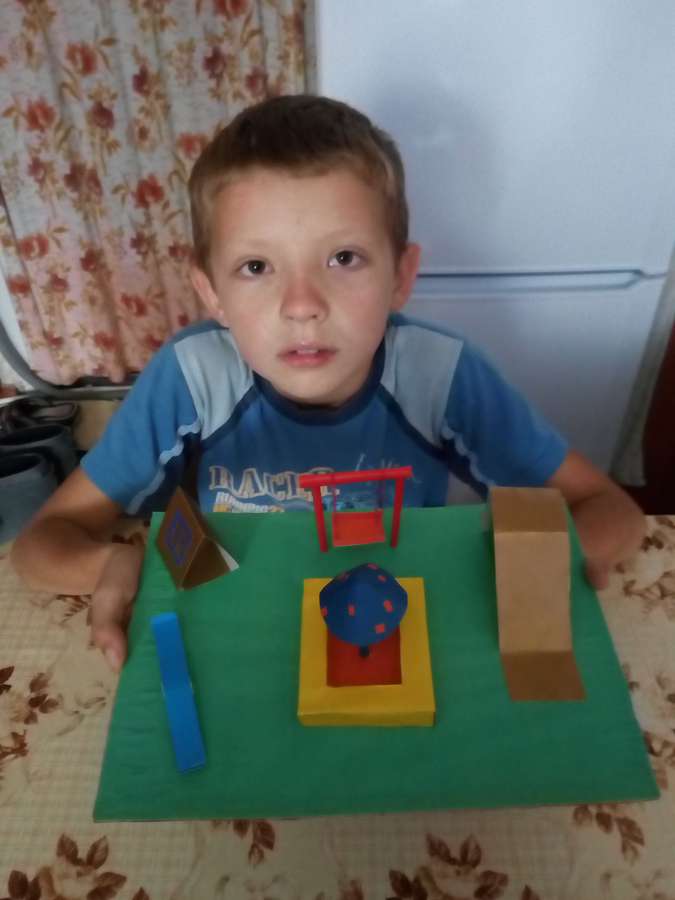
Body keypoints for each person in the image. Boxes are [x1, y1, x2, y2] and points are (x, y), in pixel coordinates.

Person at [11, 94, 645, 672]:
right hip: (232, 624)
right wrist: (113, 562)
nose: (302, 306)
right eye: (256, 266)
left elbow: (612, 511)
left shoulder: (442, 374)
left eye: (343, 258)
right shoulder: (190, 377)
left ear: (401, 276)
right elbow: (40, 544)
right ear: (212, 292)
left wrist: (551, 558)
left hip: (390, 619)